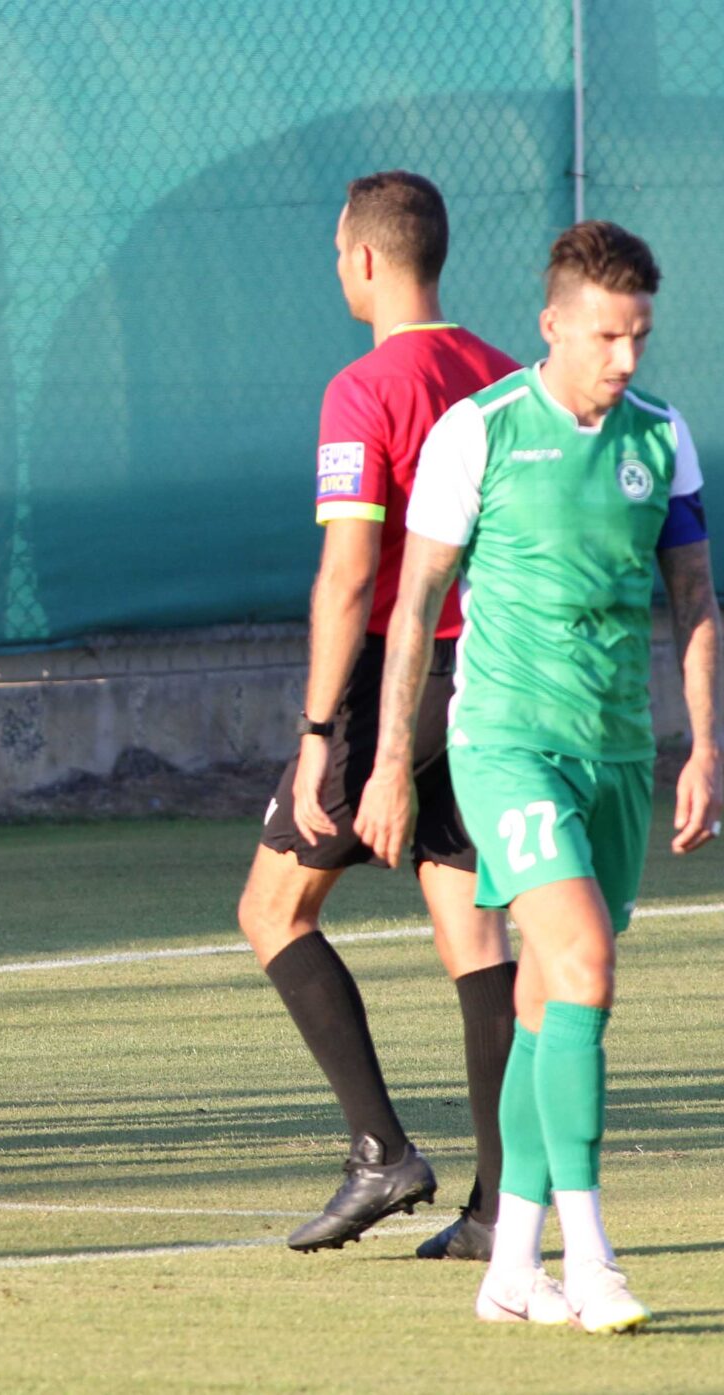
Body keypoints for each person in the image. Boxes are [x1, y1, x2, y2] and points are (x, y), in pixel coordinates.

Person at [355, 220, 719, 1333]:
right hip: (504, 740)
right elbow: (414, 604)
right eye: (605, 335)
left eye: (638, 337)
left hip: (614, 751)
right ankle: (591, 1252)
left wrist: (702, 744)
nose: (623, 358)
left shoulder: (661, 438)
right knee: (585, 965)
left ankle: (510, 1267)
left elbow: (692, 601)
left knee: (543, 998)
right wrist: (386, 764)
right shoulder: (479, 433)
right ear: (552, 324)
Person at [235, 173, 522, 1255]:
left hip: (390, 679)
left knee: (272, 909)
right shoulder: (506, 375)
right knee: (471, 930)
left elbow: (349, 574)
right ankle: (499, 1207)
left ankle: (380, 1151)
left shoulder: (363, 388)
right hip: (489, 672)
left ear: (360, 260)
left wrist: (320, 737)